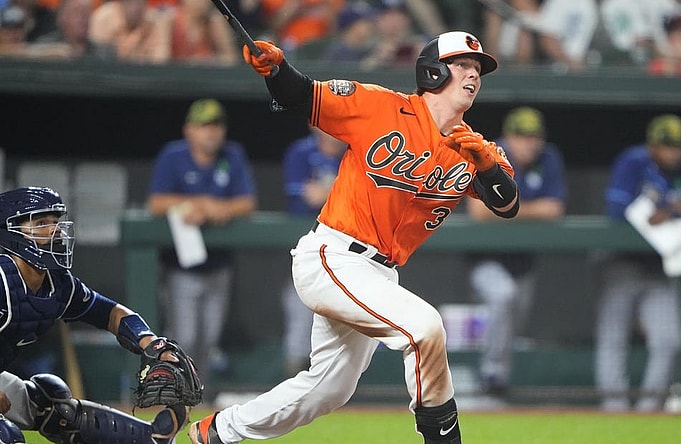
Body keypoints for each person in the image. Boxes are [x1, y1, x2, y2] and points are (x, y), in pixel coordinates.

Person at [190, 30, 519, 444]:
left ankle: (216, 432)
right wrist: (276, 68)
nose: (473, 75)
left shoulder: (474, 147)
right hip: (334, 256)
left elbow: (508, 205)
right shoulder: (380, 106)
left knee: (328, 389)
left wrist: (487, 165)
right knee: (423, 328)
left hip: (379, 275)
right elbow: (303, 96)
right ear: (433, 71)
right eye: (462, 65)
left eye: (478, 69)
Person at [0, 186, 189, 443]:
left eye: (55, 222)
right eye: (41, 223)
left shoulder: (58, 284)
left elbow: (110, 313)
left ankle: (151, 438)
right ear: (10, 231)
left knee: (54, 407)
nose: (54, 230)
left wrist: (151, 344)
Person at [595, 114, 681, 412]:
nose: (674, 152)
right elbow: (617, 208)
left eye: (677, 146)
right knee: (614, 337)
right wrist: (671, 210)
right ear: (652, 145)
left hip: (662, 266)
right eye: (666, 146)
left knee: (669, 340)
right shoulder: (634, 160)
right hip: (620, 264)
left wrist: (667, 211)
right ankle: (614, 410)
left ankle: (649, 412)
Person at [147, 98, 257, 400]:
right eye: (204, 126)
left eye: (216, 125)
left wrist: (215, 207)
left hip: (218, 265)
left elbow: (247, 203)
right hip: (181, 267)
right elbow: (156, 203)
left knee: (208, 338)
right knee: (184, 335)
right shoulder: (174, 156)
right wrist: (195, 204)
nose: (211, 132)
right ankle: (175, 395)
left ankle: (198, 396)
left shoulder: (231, 155)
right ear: (189, 130)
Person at [467, 106, 567, 401]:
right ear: (508, 137)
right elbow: (478, 212)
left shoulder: (549, 158)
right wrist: (531, 211)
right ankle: (492, 376)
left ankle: (496, 384)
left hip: (523, 262)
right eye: (521, 136)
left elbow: (556, 208)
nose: (528, 143)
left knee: (513, 322)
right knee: (503, 295)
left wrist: (507, 211)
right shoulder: (489, 154)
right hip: (484, 257)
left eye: (533, 137)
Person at [280, 126, 346, 376]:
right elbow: (303, 200)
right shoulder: (301, 152)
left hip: (344, 252)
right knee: (299, 315)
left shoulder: (353, 151)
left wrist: (326, 192)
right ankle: (292, 380)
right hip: (308, 251)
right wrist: (339, 193)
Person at [87, 0, 170, 63]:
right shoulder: (102, 19)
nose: (138, 8)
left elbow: (160, 63)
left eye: (142, 3)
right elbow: (98, 61)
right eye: (131, 2)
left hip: (143, 81)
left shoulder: (154, 22)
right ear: (121, 4)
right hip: (108, 79)